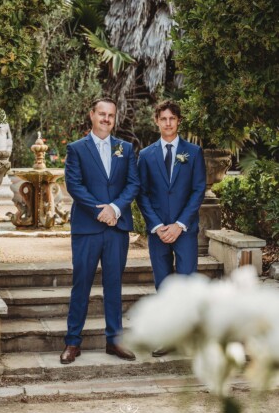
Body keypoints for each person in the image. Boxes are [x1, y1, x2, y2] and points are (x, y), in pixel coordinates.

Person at [60, 98, 140, 364]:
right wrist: (99, 211)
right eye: (102, 114)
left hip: (117, 228)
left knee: (114, 285)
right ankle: (73, 343)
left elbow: (132, 184)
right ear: (92, 115)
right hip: (87, 228)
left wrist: (115, 209)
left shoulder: (125, 148)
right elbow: (74, 185)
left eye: (111, 115)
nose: (106, 119)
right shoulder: (76, 149)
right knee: (81, 285)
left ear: (115, 118)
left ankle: (114, 341)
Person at [137, 100, 206, 356]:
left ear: (178, 121)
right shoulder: (145, 155)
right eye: (163, 118)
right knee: (163, 284)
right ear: (156, 121)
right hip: (158, 232)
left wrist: (179, 224)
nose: (168, 123)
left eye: (172, 118)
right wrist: (157, 225)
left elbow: (198, 190)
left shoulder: (194, 152)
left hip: (185, 230)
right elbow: (142, 194)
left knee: (187, 283)